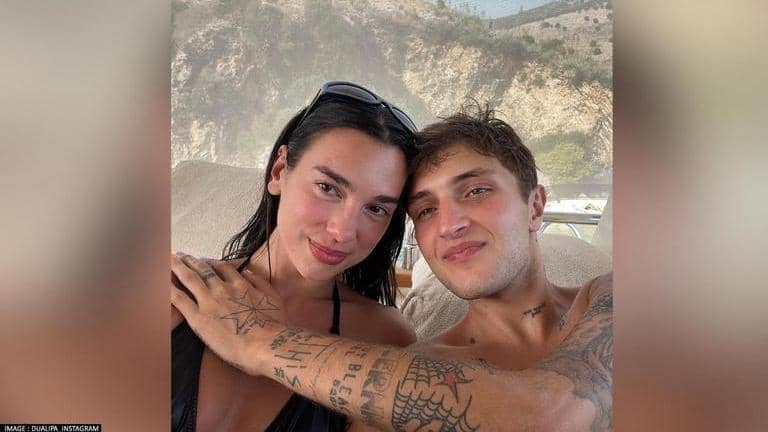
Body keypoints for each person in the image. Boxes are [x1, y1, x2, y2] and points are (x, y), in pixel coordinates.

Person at [172, 106, 614, 431]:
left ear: (535, 205)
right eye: (425, 210)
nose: (450, 224)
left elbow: (553, 416)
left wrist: (259, 340)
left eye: (476, 191)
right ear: (279, 171)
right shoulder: (407, 359)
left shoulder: (616, 297)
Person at [171, 81, 421, 432]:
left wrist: (267, 341)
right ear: (279, 172)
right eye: (328, 188)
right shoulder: (177, 289)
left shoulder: (385, 339)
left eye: (376, 209)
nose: (343, 231)